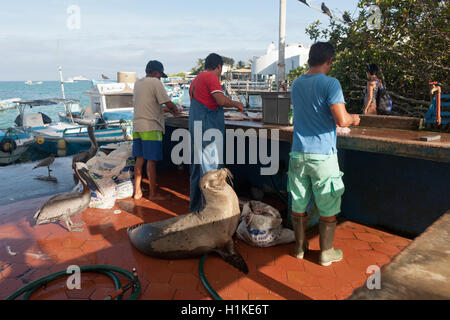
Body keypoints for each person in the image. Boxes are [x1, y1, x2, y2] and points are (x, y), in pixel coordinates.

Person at [288, 42, 360, 267]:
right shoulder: (331, 83)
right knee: (328, 206)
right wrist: (354, 118)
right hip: (323, 156)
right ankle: (326, 253)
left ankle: (299, 247)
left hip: (298, 154)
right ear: (329, 61)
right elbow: (341, 119)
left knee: (298, 203)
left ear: (310, 58)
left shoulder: (296, 83)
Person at [188, 53, 244, 212]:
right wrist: (236, 104)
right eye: (221, 69)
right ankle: (213, 213)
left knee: (198, 171)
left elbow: (207, 102)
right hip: (208, 133)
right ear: (219, 66)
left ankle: (197, 210)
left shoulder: (196, 80)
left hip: (197, 131)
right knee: (211, 174)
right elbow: (220, 100)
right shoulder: (211, 77)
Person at [132, 60, 181, 201]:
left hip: (137, 127)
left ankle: (138, 192)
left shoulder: (138, 83)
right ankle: (153, 194)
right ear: (156, 72)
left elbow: (149, 104)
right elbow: (168, 103)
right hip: (151, 127)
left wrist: (166, 108)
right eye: (160, 75)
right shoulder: (155, 82)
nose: (160, 78)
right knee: (151, 162)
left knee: (139, 160)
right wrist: (175, 109)